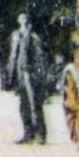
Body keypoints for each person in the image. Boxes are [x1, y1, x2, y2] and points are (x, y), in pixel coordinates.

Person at [9, 11, 51, 145]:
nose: (23, 21)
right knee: (23, 105)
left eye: (25, 18)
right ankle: (28, 134)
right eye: (21, 18)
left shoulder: (33, 36)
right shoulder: (16, 35)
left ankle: (41, 135)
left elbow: (40, 57)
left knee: (35, 105)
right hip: (20, 74)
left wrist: (40, 74)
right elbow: (13, 56)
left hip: (31, 74)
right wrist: (11, 75)